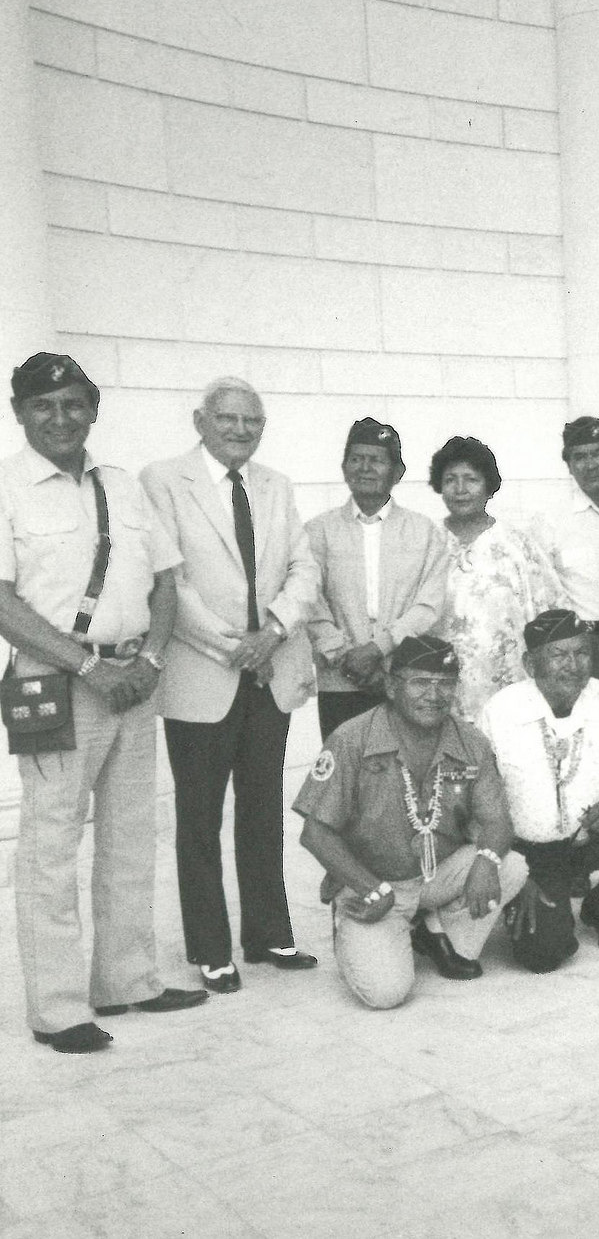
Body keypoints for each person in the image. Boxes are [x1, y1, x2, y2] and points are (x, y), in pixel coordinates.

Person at [2, 353, 206, 1054]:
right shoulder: (8, 486)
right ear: (19, 412)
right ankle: (58, 1009)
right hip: (56, 682)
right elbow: (2, 602)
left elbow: (166, 582)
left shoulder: (122, 485)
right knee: (52, 843)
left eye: (73, 403)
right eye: (43, 405)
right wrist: (87, 664)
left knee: (130, 833)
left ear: (93, 409)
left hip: (133, 679)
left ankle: (127, 978)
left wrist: (148, 659)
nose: (59, 417)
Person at [142, 376, 322, 995]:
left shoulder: (276, 485)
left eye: (252, 420)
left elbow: (304, 566)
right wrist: (233, 646)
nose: (241, 430)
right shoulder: (163, 481)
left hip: (269, 670)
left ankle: (270, 933)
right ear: (200, 420)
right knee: (198, 818)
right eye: (228, 419)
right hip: (204, 673)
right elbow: (171, 585)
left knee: (262, 809)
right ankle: (212, 948)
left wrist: (271, 630)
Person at [292, 635, 528, 1009]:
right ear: (390, 686)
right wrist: (370, 888)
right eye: (420, 682)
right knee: (386, 993)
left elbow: (498, 820)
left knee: (510, 866)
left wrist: (486, 862)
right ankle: (358, 928)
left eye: (445, 684)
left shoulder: (471, 742)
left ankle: (429, 927)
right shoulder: (352, 739)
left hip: (436, 875)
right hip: (372, 883)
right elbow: (315, 833)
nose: (433, 695)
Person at [481, 610, 599, 971]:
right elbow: (480, 802)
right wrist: (514, 874)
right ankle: (528, 903)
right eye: (559, 655)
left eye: (582, 653)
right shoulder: (501, 710)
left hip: (588, 839)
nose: (573, 665)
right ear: (530, 663)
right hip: (529, 856)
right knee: (543, 956)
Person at [304, 417, 449, 739]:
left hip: (406, 681)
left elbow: (429, 607)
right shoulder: (318, 532)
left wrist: (377, 650)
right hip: (339, 682)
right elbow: (309, 602)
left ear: (397, 472)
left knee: (407, 780)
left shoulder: (424, 533)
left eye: (377, 460)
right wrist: (347, 659)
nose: (365, 468)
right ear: (344, 469)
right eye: (357, 459)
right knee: (346, 779)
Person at [427, 435, 564, 724]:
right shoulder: (426, 543)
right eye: (451, 479)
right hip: (438, 686)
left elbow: (549, 614)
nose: (460, 489)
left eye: (471, 479)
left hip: (508, 689)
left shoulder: (518, 545)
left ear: (488, 486)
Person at [530, 416, 599, 711]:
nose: (591, 465)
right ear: (568, 465)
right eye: (580, 457)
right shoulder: (551, 520)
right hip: (585, 649)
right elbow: (542, 597)